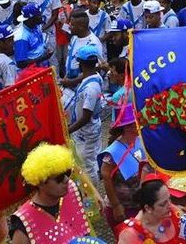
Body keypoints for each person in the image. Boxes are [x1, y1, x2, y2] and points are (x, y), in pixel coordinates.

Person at [9, 144, 91, 244]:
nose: (66, 179)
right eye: (59, 178)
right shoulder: (24, 220)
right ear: (41, 183)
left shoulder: (72, 191)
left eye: (67, 172)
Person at [99, 104, 147, 229]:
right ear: (125, 127)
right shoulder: (113, 152)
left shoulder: (138, 140)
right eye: (133, 124)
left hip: (139, 205)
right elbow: (106, 176)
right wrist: (116, 206)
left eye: (137, 121)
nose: (137, 126)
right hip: (123, 209)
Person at [116, 175, 186, 243]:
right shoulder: (130, 235)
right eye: (162, 204)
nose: (170, 205)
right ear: (148, 208)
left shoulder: (172, 211)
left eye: (169, 199)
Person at [64, 46, 103, 183]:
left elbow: (86, 117)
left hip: (86, 132)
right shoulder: (94, 76)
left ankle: (93, 197)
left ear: (81, 64)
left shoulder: (91, 88)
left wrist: (68, 130)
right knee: (90, 160)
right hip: (87, 130)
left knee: (88, 166)